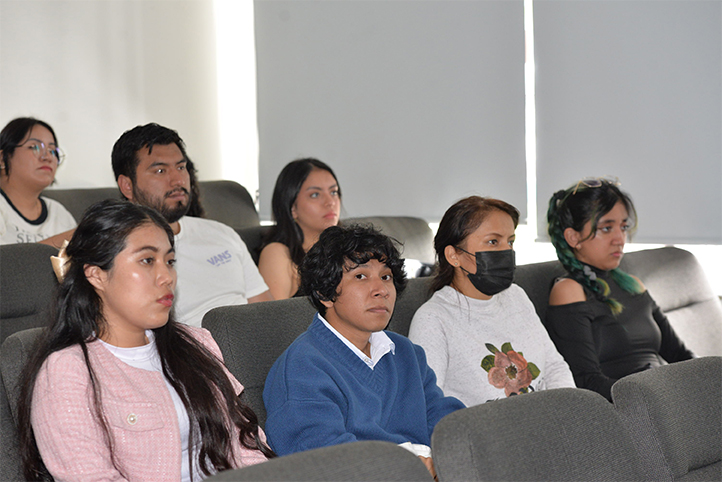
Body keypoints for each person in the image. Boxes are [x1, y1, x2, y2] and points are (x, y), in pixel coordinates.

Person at [17, 199, 273, 482]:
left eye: (170, 261)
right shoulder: (68, 370)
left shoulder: (195, 343)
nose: (167, 277)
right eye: (147, 260)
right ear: (96, 275)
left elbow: (246, 448)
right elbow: (90, 477)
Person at [263, 224, 465, 478]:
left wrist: (446, 459)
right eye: (360, 276)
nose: (381, 290)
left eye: (386, 276)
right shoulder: (302, 367)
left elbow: (448, 423)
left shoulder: (406, 352)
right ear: (325, 293)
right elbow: (321, 460)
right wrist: (410, 465)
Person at [408, 196, 575, 406]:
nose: (506, 251)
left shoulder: (516, 296)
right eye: (493, 242)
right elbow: (429, 405)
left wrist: (569, 414)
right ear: (453, 255)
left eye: (510, 241)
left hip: (545, 423)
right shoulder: (433, 319)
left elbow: (554, 367)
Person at [545, 177, 693, 401]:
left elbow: (680, 356)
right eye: (606, 228)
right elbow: (587, 381)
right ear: (573, 237)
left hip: (668, 398)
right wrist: (657, 399)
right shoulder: (569, 290)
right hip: (632, 409)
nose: (620, 239)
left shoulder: (633, 284)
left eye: (623, 227)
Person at [111, 123, 272, 327]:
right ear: (127, 185)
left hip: (254, 348)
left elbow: (267, 312)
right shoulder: (120, 252)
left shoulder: (221, 233)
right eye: (160, 170)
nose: (177, 180)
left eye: (181, 167)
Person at [258, 158, 341, 299]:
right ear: (292, 208)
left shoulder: (349, 247)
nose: (330, 202)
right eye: (315, 194)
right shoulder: (278, 254)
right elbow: (272, 318)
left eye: (333, 192)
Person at [0, 117, 76, 246]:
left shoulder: (58, 212)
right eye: (34, 147)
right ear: (2, 158)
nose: (47, 157)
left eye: (52, 151)